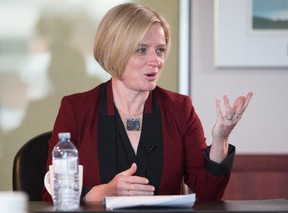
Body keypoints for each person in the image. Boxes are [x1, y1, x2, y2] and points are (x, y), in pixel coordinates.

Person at [42, 3, 253, 202]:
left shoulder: (179, 109)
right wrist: (103, 193)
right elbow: (51, 195)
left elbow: (209, 194)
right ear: (114, 51)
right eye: (141, 50)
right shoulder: (77, 109)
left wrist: (221, 139)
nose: (156, 61)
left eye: (160, 50)